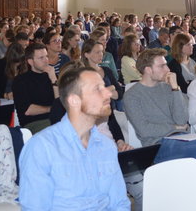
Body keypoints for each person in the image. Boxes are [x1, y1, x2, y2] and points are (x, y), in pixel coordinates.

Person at [19, 67, 130, 210]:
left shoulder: (107, 146)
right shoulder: (42, 147)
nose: (108, 92)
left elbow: (120, 203)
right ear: (74, 101)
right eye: (97, 89)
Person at [123, 48, 196, 182]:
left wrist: (175, 88)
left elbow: (182, 120)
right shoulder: (132, 95)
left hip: (182, 139)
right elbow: (145, 130)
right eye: (162, 66)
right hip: (158, 146)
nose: (167, 69)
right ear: (148, 69)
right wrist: (175, 127)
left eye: (166, 64)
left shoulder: (167, 87)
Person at [12, 43, 57, 134]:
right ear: (30, 62)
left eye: (46, 56)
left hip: (56, 119)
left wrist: (54, 80)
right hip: (35, 123)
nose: (46, 60)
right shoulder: (21, 81)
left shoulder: (52, 77)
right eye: (41, 58)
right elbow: (28, 110)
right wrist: (53, 108)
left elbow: (60, 101)